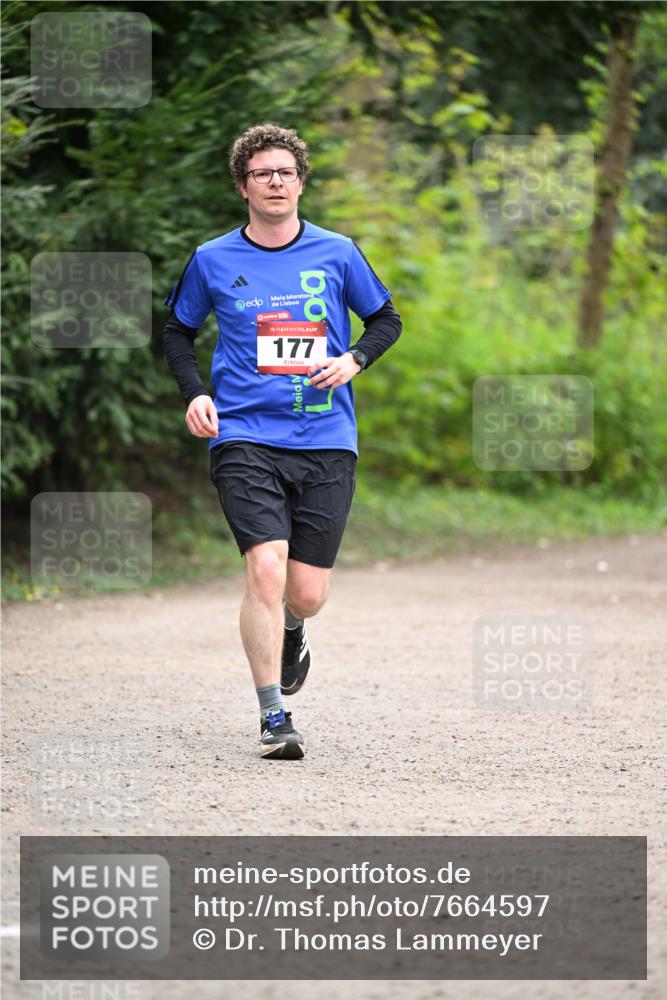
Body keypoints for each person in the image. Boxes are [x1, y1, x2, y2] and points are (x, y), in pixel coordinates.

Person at [163, 123, 401, 761]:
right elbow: (177, 332)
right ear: (243, 186)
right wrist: (195, 392)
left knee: (305, 593)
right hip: (244, 434)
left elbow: (385, 319)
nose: (276, 182)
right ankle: (274, 715)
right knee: (264, 570)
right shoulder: (213, 259)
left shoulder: (338, 252)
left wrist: (353, 360)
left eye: (286, 172)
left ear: (301, 182)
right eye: (263, 173)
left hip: (326, 436)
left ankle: (295, 630)